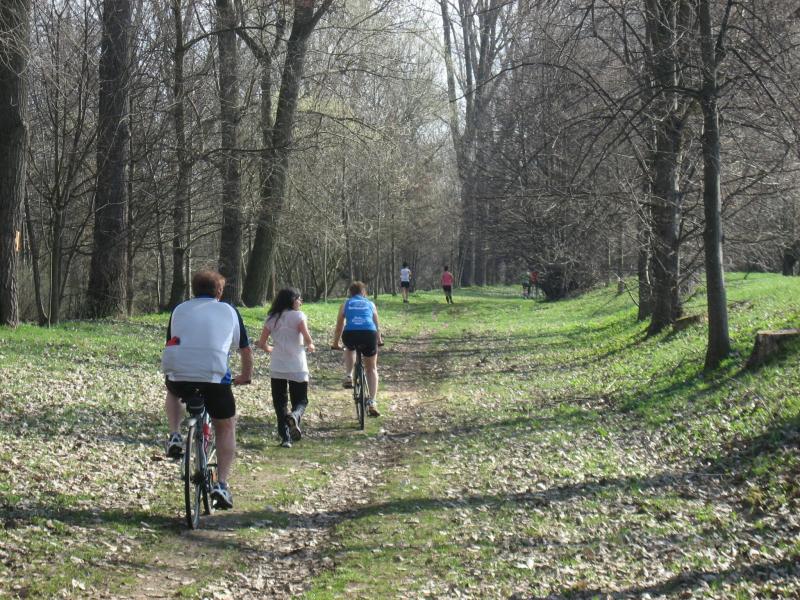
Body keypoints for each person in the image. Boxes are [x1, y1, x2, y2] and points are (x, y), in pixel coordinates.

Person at [161, 269, 253, 510]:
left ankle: (174, 434)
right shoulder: (228, 311)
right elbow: (244, 349)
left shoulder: (179, 309)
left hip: (179, 374)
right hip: (214, 377)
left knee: (172, 390)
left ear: (194, 290)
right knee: (226, 425)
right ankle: (221, 484)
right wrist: (246, 376)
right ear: (219, 291)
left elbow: (172, 341)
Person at [255, 288, 315, 449]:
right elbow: (307, 337)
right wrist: (310, 345)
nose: (300, 302)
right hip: (297, 365)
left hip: (277, 366)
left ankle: (285, 438)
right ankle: (294, 416)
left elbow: (262, 343)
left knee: (280, 403)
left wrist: (269, 349)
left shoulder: (272, 318)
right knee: (301, 400)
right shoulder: (298, 316)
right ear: (292, 300)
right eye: (299, 299)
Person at [331, 281, 384, 417]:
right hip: (369, 334)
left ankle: (349, 375)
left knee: (349, 348)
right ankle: (372, 401)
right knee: (371, 368)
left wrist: (335, 343)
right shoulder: (370, 304)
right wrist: (379, 340)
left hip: (351, 334)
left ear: (350, 293)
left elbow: (339, 327)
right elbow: (376, 325)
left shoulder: (345, 304)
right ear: (364, 292)